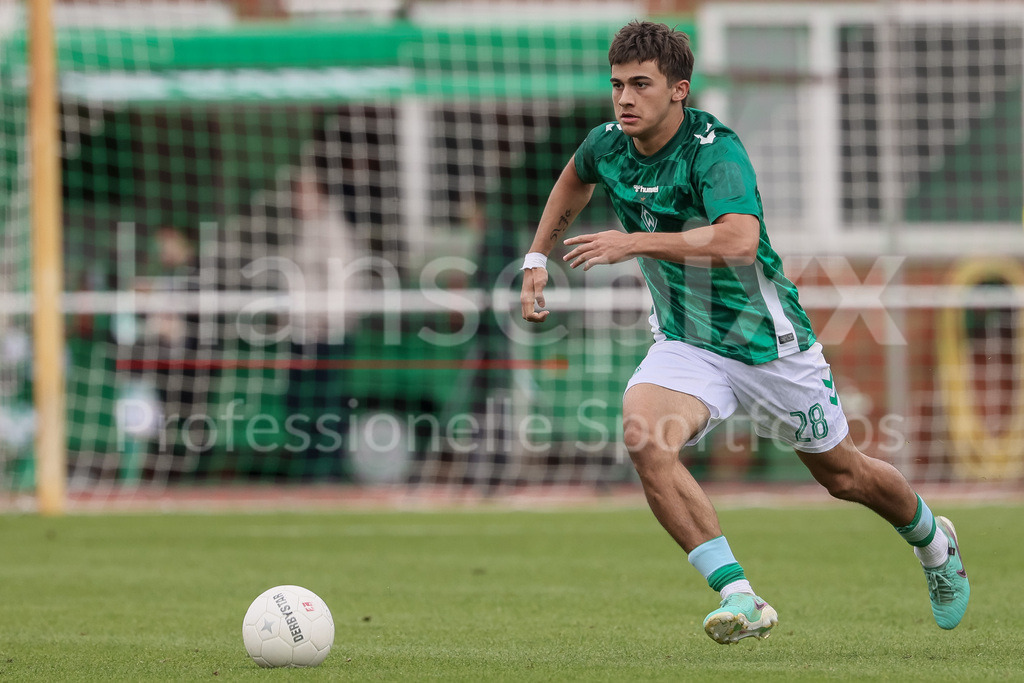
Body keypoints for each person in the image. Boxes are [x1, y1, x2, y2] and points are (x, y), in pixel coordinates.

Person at [518, 21, 969, 644]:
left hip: (767, 345)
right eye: (618, 85)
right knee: (646, 438)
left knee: (844, 477)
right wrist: (536, 258)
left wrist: (635, 242)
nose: (625, 98)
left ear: (679, 90)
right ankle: (739, 595)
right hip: (686, 343)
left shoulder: (714, 150)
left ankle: (935, 543)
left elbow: (738, 240)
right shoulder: (608, 144)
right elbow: (575, 176)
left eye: (641, 85)